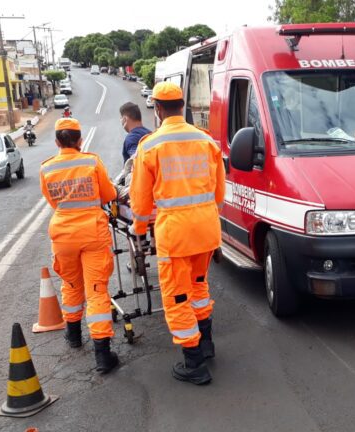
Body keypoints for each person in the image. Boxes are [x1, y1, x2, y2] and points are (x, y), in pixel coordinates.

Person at [130, 82, 225, 385]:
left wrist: (139, 229)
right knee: (198, 286)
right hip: (206, 229)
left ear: (157, 108)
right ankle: (206, 344)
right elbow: (219, 194)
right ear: (182, 106)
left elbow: (141, 201)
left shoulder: (150, 146)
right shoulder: (206, 141)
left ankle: (194, 363)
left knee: (177, 296)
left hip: (175, 235)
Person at [40, 118, 119, 374]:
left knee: (72, 284)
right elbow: (109, 195)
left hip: (63, 234)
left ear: (57, 142)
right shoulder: (91, 162)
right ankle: (103, 356)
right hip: (92, 232)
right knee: (96, 291)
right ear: (80, 140)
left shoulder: (47, 168)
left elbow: (52, 202)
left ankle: (73, 335)